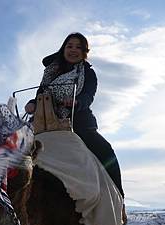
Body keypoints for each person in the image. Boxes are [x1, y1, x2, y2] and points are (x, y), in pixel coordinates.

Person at [25, 32, 125, 202]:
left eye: (78, 47)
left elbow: (88, 96)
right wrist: (32, 104)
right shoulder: (50, 71)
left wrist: (76, 102)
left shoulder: (88, 73)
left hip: (78, 122)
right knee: (13, 149)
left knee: (106, 151)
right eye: (69, 46)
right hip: (44, 122)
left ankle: (118, 198)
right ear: (63, 48)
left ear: (84, 51)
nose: (73, 50)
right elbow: (40, 94)